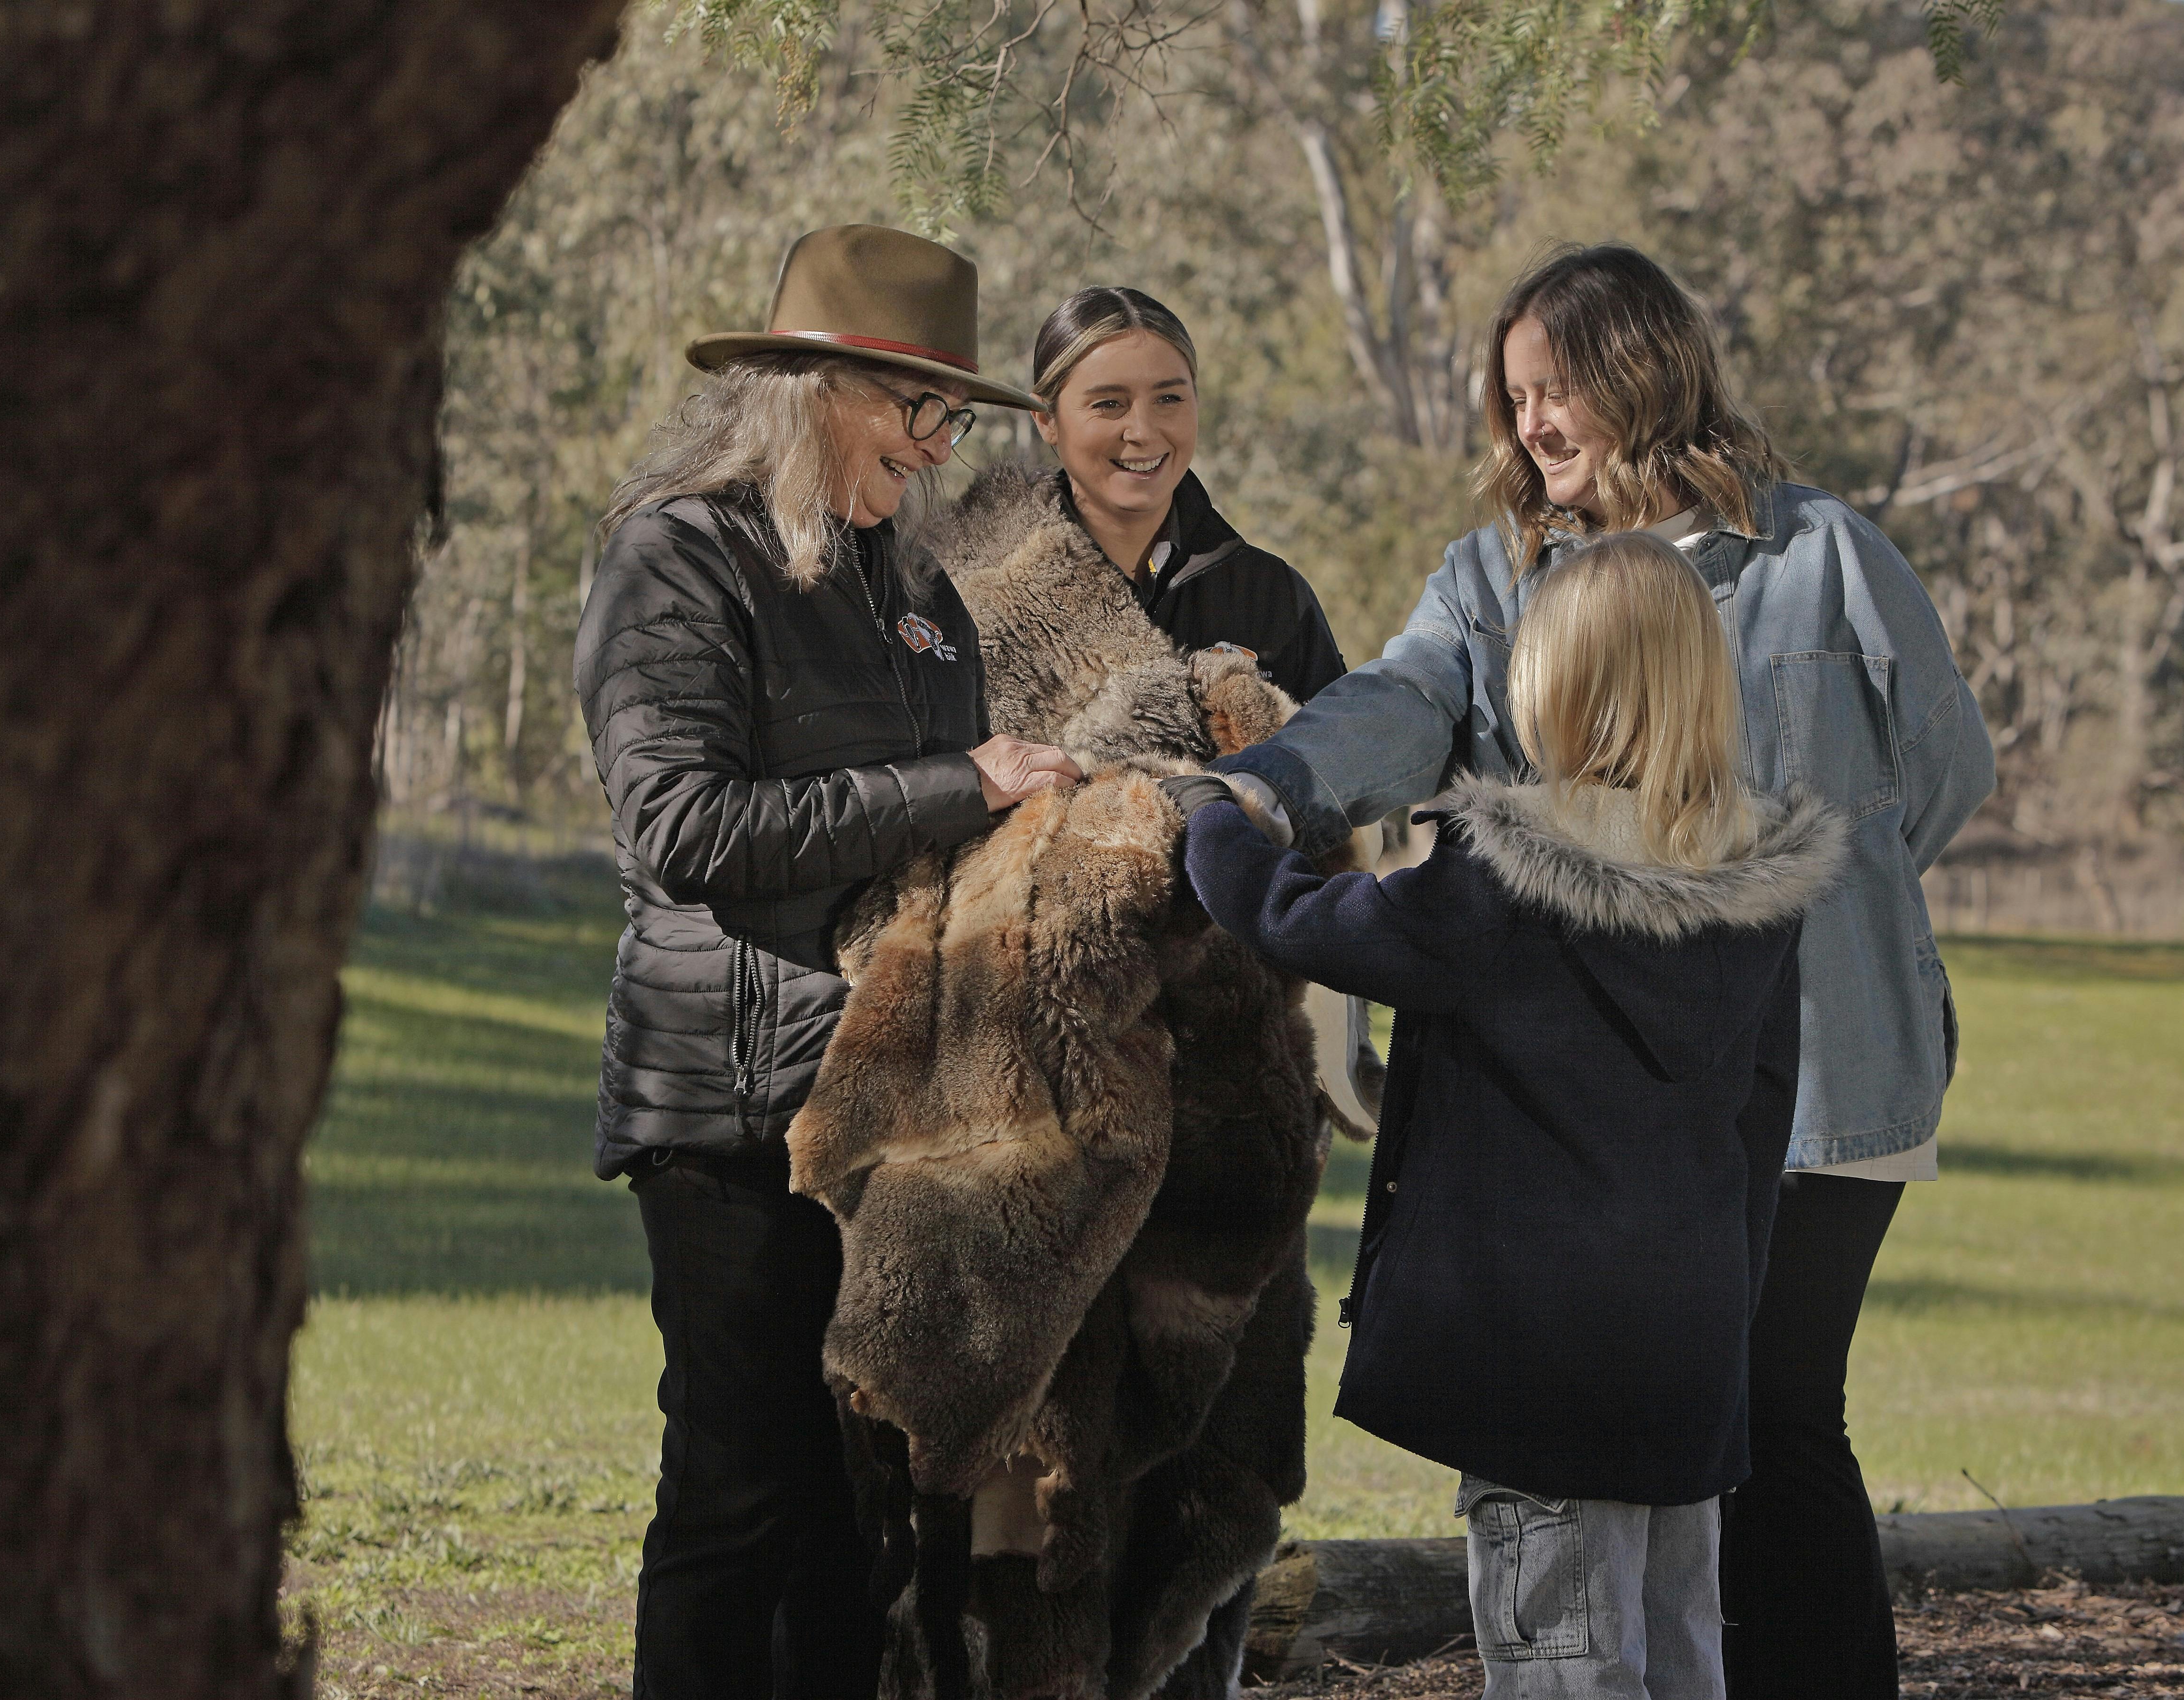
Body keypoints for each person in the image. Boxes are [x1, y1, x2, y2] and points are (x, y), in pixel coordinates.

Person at [1208, 243, 1997, 1698]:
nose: (1529, 429)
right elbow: (1396, 708)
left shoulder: (1824, 555)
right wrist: (1264, 791)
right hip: (1618, 1120)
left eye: (1551, 391)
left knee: (1776, 1414)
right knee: (1686, 1442)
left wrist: (1809, 906)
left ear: (1640, 372)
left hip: (1833, 1074)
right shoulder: (1496, 580)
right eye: (1512, 402)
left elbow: (1945, 772)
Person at [1168, 532, 1845, 1699]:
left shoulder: (1506, 877)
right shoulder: (1759, 891)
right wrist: (1726, 1324)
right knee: (1681, 1649)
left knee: (1562, 1666)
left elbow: (1310, 925)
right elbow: (1760, 1121)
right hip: (1685, 1354)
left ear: (1559, 689)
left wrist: (1214, 821)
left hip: (1541, 1372)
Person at [573, 224, 1082, 1700]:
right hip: (732, 1119)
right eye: (915, 409)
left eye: (952, 419)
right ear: (813, 390)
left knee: (863, 1527)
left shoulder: (914, 598)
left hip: (894, 1122)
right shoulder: (672, 556)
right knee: (742, 1498)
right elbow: (683, 826)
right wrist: (961, 788)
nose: (934, 451)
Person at [1028, 285, 1346, 703]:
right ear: (1045, 419)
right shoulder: (982, 594)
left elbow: (1341, 758)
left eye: (1168, 398)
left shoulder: (1270, 596)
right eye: (1109, 404)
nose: (1142, 432)